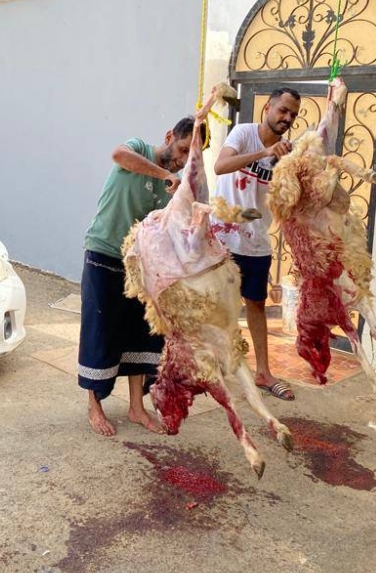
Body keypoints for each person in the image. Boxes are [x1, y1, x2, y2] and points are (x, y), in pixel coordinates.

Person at [78, 112, 203, 436]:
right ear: (169, 137)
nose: (182, 160)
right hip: (104, 252)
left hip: (140, 263)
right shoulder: (139, 149)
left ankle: (136, 407)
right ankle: (94, 405)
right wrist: (165, 174)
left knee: (141, 333)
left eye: (190, 156)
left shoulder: (175, 186)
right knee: (101, 330)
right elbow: (118, 155)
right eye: (183, 149)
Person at [213, 87, 301, 401]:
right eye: (283, 110)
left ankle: (263, 372)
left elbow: (288, 198)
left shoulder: (287, 154)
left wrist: (291, 170)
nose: (287, 118)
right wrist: (264, 153)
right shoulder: (243, 133)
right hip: (223, 236)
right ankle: (208, 368)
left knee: (256, 305)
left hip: (257, 241)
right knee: (215, 305)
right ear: (268, 108)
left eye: (292, 114)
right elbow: (220, 166)